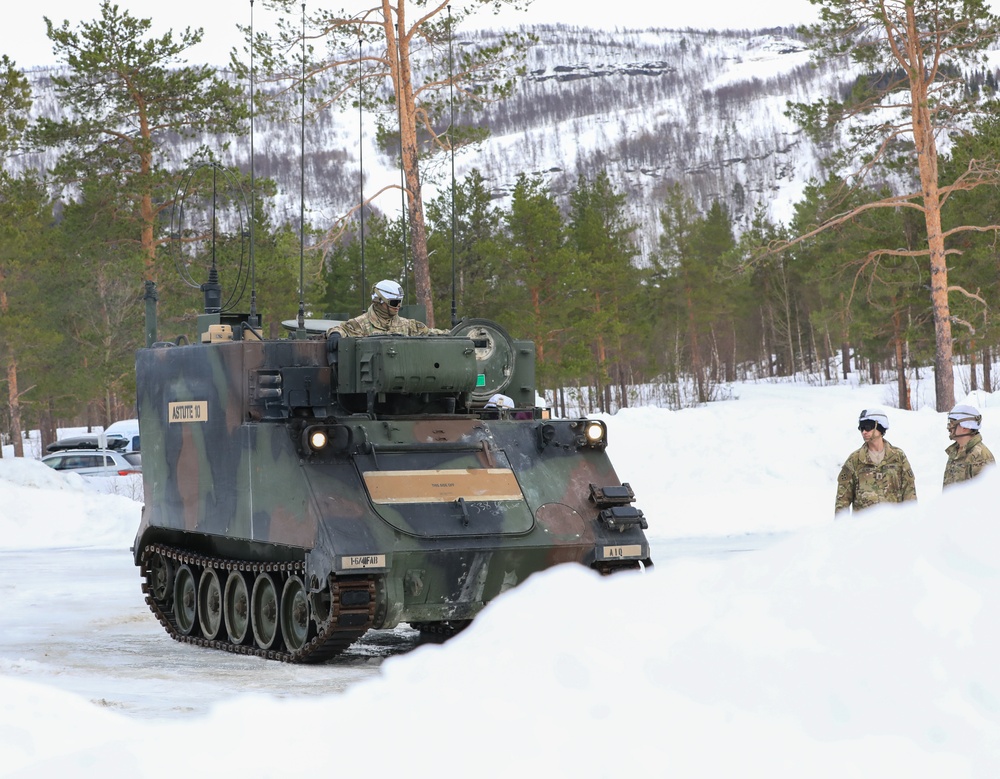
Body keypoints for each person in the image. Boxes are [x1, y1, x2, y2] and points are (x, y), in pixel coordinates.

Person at [835, 407, 917, 515]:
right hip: (864, 528)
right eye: (861, 428)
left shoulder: (898, 457)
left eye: (868, 427)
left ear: (880, 426)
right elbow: (842, 500)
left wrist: (911, 523)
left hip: (894, 526)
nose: (864, 432)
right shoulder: (855, 460)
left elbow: (909, 493)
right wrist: (842, 528)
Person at [326, 280, 449, 337]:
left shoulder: (407, 326)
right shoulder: (360, 324)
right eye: (394, 302)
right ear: (379, 301)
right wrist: (335, 334)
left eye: (400, 302)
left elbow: (432, 333)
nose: (398, 306)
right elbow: (340, 329)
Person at [942, 403, 995, 488]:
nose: (949, 427)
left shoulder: (980, 456)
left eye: (952, 424)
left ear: (964, 427)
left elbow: (986, 496)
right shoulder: (955, 451)